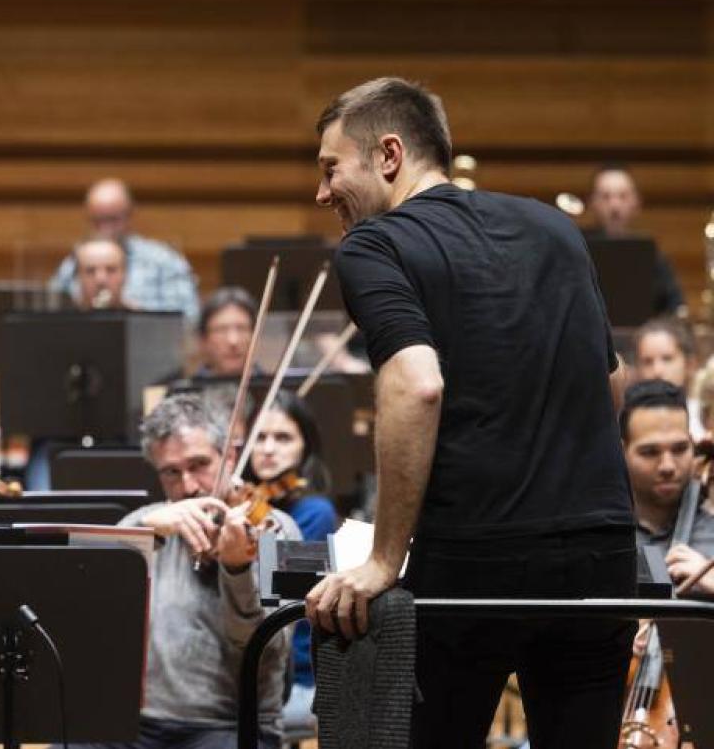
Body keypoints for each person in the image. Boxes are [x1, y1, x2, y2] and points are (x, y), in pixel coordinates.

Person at [304, 77, 635, 747]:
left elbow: (416, 385)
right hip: (600, 557)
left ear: (388, 155)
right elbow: (613, 383)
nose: (322, 192)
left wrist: (384, 559)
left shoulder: (376, 245)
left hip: (475, 565)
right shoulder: (554, 228)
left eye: (330, 168)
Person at [86, 393, 298, 749]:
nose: (187, 487)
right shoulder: (145, 523)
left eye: (199, 464)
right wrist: (147, 528)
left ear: (229, 456)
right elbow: (89, 601)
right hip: (137, 723)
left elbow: (270, 650)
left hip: (232, 725)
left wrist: (237, 569)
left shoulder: (282, 531)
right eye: (171, 472)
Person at [244, 390, 337, 734]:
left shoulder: (314, 513)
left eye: (282, 438)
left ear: (305, 448)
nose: (268, 449)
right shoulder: (248, 503)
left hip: (293, 678)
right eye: (260, 437)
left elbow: (280, 609)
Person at [49, 179, 199, 323]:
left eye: (113, 219)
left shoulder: (164, 261)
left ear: (130, 216)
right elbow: (51, 317)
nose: (105, 228)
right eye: (97, 220)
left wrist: (130, 312)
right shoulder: (73, 263)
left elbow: (188, 323)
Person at [621, 379, 714, 587]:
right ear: (621, 451)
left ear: (693, 443)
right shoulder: (602, 536)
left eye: (680, 449)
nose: (667, 466)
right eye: (650, 452)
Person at [582, 165, 686, 317]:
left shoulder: (652, 254)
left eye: (623, 196)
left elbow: (676, 306)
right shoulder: (578, 250)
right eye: (606, 196)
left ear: (636, 202)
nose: (614, 206)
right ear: (592, 202)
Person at [632, 316, 704, 438]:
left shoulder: (704, 417)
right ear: (637, 369)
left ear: (689, 364)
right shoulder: (627, 419)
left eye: (667, 359)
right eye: (647, 361)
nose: (657, 371)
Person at [195, 287, 258, 378]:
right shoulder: (184, 391)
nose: (233, 341)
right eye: (221, 330)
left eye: (241, 329)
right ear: (203, 340)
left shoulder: (277, 390)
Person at [72, 235, 128, 310]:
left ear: (124, 274)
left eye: (110, 270)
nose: (100, 280)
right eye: (90, 271)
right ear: (78, 276)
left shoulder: (142, 320)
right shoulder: (59, 320)